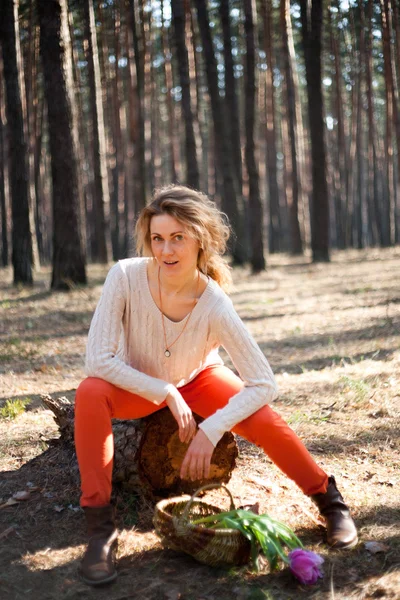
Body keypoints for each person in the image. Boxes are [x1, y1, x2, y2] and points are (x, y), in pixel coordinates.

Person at [74, 184, 358, 586]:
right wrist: (164, 392)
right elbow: (97, 360)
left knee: (262, 418)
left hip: (199, 379)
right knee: (89, 392)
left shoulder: (214, 303)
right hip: (137, 384)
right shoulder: (124, 276)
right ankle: (100, 531)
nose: (165, 251)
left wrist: (212, 427)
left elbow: (263, 382)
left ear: (200, 240)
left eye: (177, 238)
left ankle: (329, 502)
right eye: (157, 239)